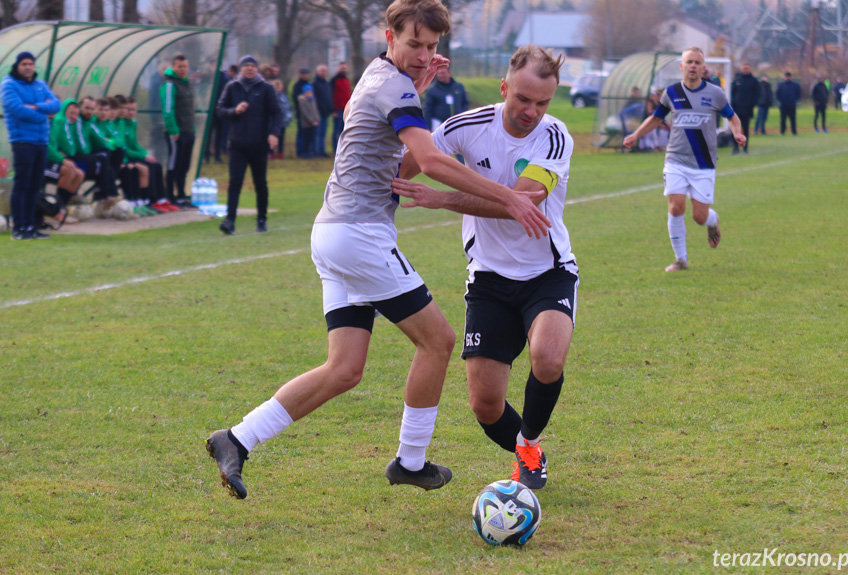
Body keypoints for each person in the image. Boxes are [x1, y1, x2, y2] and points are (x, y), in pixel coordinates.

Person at [205, 0, 550, 501]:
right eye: (413, 44)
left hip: (333, 233)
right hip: (359, 236)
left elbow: (386, 142)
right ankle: (410, 461)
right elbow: (429, 160)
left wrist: (420, 84)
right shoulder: (392, 86)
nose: (423, 54)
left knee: (344, 368)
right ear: (387, 35)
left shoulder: (379, 78)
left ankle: (236, 438)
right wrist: (509, 197)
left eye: (431, 46)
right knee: (439, 340)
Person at [391, 45, 576, 490]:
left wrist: (443, 198)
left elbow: (520, 201)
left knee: (547, 359)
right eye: (523, 99)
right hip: (489, 280)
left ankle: (529, 445)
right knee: (485, 405)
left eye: (542, 103)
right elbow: (408, 164)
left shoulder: (555, 137)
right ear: (504, 88)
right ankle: (525, 447)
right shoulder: (467, 125)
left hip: (546, 272)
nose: (532, 111)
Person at [623, 46, 745, 272]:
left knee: (699, 216)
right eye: (689, 62)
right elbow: (655, 118)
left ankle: (712, 220)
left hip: (704, 163)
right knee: (675, 207)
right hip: (675, 160)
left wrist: (737, 132)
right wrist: (636, 135)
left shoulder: (715, 93)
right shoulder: (671, 92)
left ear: (703, 67)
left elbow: (732, 117)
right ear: (682, 66)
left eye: (698, 62)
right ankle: (681, 260)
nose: (693, 66)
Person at [216, 55, 281, 235]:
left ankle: (261, 220)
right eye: (246, 66)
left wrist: (274, 133)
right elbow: (220, 110)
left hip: (259, 144)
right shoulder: (232, 86)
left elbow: (277, 113)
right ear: (241, 69)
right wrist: (233, 111)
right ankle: (230, 221)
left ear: (257, 69)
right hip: (237, 144)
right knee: (235, 182)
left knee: (260, 183)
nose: (250, 68)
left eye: (253, 66)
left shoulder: (266, 88)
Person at [2, 51, 60, 240]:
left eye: (31, 64)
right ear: (17, 66)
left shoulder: (40, 85)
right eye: (24, 64)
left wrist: (36, 107)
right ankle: (18, 228)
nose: (28, 67)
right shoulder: (8, 85)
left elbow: (56, 105)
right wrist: (44, 113)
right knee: (22, 185)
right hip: (22, 142)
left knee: (35, 186)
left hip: (41, 142)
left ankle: (31, 227)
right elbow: (18, 111)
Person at [160, 54, 195, 206]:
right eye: (179, 66)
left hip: (188, 131)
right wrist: (173, 130)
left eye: (185, 66)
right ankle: (170, 196)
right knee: (174, 164)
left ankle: (181, 195)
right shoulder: (169, 85)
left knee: (184, 165)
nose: (183, 69)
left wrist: (192, 128)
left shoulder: (186, 83)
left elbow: (189, 109)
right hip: (176, 133)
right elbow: (168, 110)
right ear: (173, 67)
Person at [421, 65, 469, 131]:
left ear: (449, 73)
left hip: (457, 124)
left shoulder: (459, 87)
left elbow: (465, 103)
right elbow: (427, 109)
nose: (440, 75)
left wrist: (463, 118)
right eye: (438, 73)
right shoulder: (432, 90)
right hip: (439, 125)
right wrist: (428, 127)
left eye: (443, 73)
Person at [730, 61, 759, 154]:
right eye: (744, 68)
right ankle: (735, 148)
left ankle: (745, 148)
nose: (745, 69)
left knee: (746, 129)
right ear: (741, 68)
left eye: (747, 68)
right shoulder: (737, 79)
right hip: (736, 109)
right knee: (735, 129)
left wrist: (752, 104)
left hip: (747, 109)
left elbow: (757, 94)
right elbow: (732, 93)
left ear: (749, 69)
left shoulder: (753, 81)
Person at [312, 64, 334, 157]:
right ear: (317, 72)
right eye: (322, 70)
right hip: (317, 113)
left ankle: (321, 150)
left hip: (326, 113)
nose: (323, 72)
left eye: (325, 71)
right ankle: (315, 151)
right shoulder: (314, 84)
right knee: (317, 133)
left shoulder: (326, 83)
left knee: (323, 134)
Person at [330, 62, 352, 154]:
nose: (343, 70)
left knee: (345, 130)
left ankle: (343, 149)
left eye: (344, 68)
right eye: (342, 68)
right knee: (337, 130)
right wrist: (333, 109)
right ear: (338, 69)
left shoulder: (346, 80)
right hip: (338, 110)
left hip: (346, 110)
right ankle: (335, 149)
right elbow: (331, 95)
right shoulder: (334, 80)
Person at [292, 67, 311, 157]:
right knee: (301, 133)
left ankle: (306, 151)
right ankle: (300, 152)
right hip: (301, 113)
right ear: (299, 74)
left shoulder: (309, 85)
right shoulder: (297, 86)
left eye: (306, 73)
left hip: (309, 113)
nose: (304, 75)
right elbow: (296, 99)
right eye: (302, 73)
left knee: (308, 133)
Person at [296, 83, 319, 158]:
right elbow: (305, 112)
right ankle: (305, 152)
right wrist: (312, 121)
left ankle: (310, 152)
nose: (309, 94)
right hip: (307, 123)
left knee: (311, 138)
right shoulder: (302, 101)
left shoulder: (313, 100)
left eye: (310, 92)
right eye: (307, 92)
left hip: (314, 123)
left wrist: (317, 119)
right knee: (306, 138)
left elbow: (315, 111)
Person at [272, 79, 293, 159]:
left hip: (283, 121)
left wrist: (288, 117)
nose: (277, 88)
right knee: (273, 136)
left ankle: (280, 152)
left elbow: (288, 108)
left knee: (281, 138)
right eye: (275, 86)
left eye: (279, 86)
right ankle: (271, 152)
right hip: (274, 122)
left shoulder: (284, 96)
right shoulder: (271, 96)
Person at [775, 72, 801, 136]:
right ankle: (782, 131)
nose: (788, 77)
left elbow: (799, 93)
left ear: (790, 77)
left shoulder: (795, 85)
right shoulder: (781, 85)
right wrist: (780, 101)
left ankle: (794, 132)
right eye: (787, 76)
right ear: (785, 77)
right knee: (783, 119)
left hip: (792, 105)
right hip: (783, 105)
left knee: (793, 119)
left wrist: (795, 100)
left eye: (789, 76)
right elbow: (777, 94)